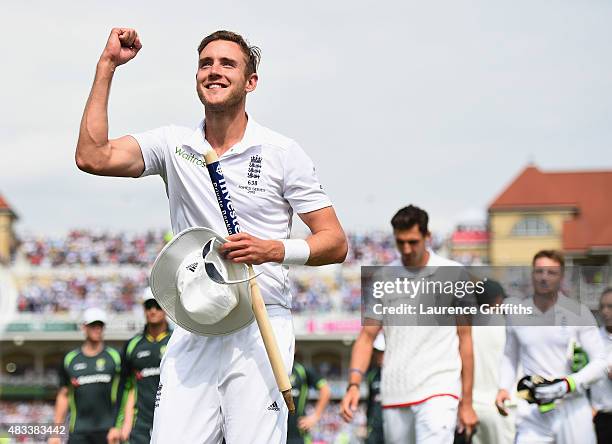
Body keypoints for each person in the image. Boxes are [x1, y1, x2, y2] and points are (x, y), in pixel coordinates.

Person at [75, 28, 347, 444]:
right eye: (206, 63)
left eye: (227, 64)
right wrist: (106, 66)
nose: (214, 71)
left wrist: (272, 249)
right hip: (195, 322)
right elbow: (92, 156)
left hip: (261, 323)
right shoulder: (173, 144)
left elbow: (334, 241)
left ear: (250, 81)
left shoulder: (281, 152)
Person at [340, 205, 478, 444]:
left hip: (440, 389)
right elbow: (366, 338)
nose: (406, 249)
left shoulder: (454, 274)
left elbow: (465, 339)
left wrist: (466, 403)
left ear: (428, 237)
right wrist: (354, 384)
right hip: (395, 392)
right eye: (400, 242)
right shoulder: (383, 277)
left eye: (413, 241)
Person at [495, 250, 607, 444]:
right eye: (539, 271)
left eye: (551, 272)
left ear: (561, 277)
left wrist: (569, 383)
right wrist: (504, 387)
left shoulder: (578, 313)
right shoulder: (517, 314)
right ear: (532, 274)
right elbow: (510, 356)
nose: (544, 278)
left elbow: (601, 361)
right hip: (533, 410)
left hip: (572, 407)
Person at [107, 289, 172, 444]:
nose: (153, 310)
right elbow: (125, 387)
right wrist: (118, 425)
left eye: (157, 305)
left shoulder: (177, 341)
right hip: (140, 425)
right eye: (149, 306)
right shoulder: (132, 346)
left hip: (171, 420)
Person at [50, 308, 121, 444]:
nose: (97, 329)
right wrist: (55, 433)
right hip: (78, 430)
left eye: (100, 325)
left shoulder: (115, 357)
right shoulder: (70, 359)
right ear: (84, 327)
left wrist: (118, 426)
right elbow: (63, 396)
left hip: (107, 430)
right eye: (93, 325)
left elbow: (123, 394)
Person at [470, 280, 514, 444]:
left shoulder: (464, 329)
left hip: (471, 407)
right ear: (498, 300)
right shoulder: (508, 327)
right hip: (501, 407)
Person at [287, 360, 331, 444]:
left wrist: (315, 416)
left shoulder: (301, 370)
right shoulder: (270, 368)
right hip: (274, 433)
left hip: (298, 435)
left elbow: (325, 390)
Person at [591, 287, 612, 443]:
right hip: (600, 417)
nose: (605, 311)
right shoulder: (592, 339)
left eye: (610, 307)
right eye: (602, 307)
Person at [364, 333, 385, 444]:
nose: (379, 356)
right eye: (377, 352)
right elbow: (369, 403)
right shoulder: (372, 375)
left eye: (382, 352)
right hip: (375, 430)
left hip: (393, 428)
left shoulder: (399, 375)